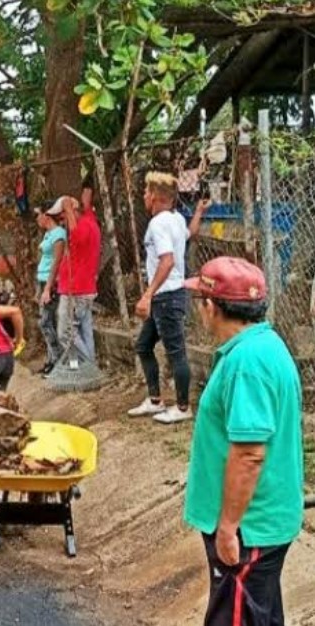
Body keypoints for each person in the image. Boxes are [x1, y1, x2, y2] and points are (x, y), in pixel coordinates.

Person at [183, 256, 303, 626]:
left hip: (249, 527)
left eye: (199, 300)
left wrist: (228, 527)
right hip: (259, 521)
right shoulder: (264, 345)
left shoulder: (247, 363)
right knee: (259, 615)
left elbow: (249, 453)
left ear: (211, 307)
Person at [128, 172, 209, 424]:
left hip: (166, 296)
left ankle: (183, 407)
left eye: (145, 191)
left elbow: (168, 260)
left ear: (154, 196)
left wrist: (147, 295)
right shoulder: (174, 218)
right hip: (169, 295)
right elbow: (190, 234)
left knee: (176, 353)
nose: (143, 195)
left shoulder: (159, 223)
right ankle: (155, 400)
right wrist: (198, 212)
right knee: (143, 345)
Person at [54, 189, 101, 370]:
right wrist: (86, 202)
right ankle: (82, 367)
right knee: (84, 331)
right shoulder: (89, 219)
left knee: (66, 332)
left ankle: (86, 368)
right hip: (82, 287)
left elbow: (78, 238)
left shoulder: (82, 226)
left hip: (77, 289)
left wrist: (68, 211)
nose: (63, 223)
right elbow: (86, 212)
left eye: (63, 218)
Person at [34, 201, 67, 375]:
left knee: (46, 322)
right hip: (42, 279)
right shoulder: (48, 234)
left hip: (51, 281)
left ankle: (57, 359)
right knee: (47, 321)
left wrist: (48, 287)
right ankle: (50, 359)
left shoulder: (59, 234)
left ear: (46, 215)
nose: (37, 219)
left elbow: (57, 261)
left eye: (38, 214)